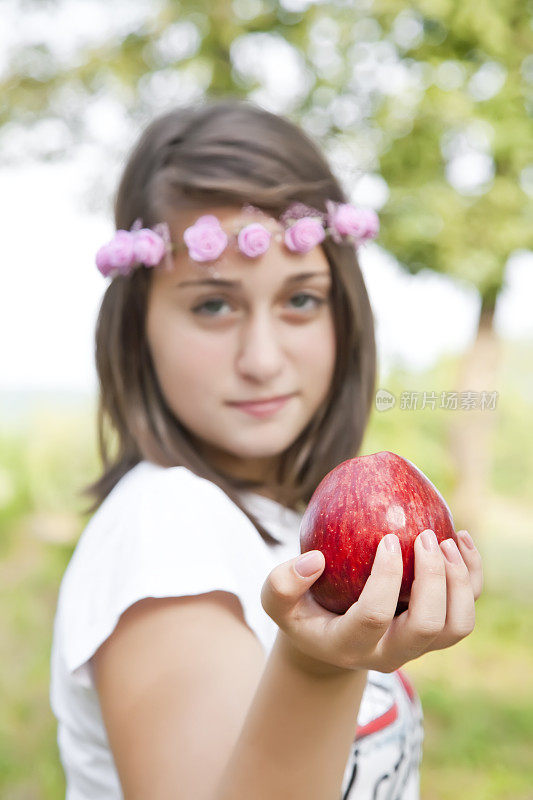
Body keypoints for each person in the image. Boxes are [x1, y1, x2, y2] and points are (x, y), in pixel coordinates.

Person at [49, 97, 483, 800]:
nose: (261, 359)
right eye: (212, 305)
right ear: (138, 325)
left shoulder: (276, 520)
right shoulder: (166, 528)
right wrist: (318, 667)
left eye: (300, 300)